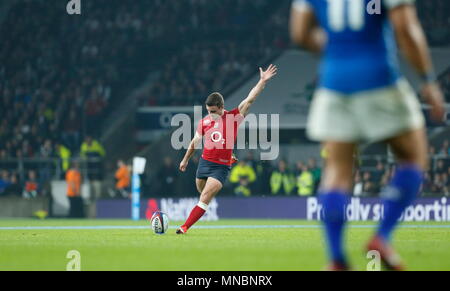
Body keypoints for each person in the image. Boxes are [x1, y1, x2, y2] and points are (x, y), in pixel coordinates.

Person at [290, 0, 445, 270]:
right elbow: (406, 29)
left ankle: (336, 258)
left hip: (333, 83)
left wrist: (337, 52)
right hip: (380, 79)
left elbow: (300, 33)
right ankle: (381, 237)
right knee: (413, 157)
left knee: (337, 171)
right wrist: (428, 81)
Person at [177, 64, 277, 234]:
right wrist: (185, 159)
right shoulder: (204, 122)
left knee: (205, 197)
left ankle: (184, 227)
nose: (211, 115)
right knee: (201, 191)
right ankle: (203, 204)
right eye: (208, 111)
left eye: (213, 111)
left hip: (220, 167)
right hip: (204, 162)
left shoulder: (233, 117)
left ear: (222, 107)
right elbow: (195, 141)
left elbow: (250, 99)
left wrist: (262, 81)